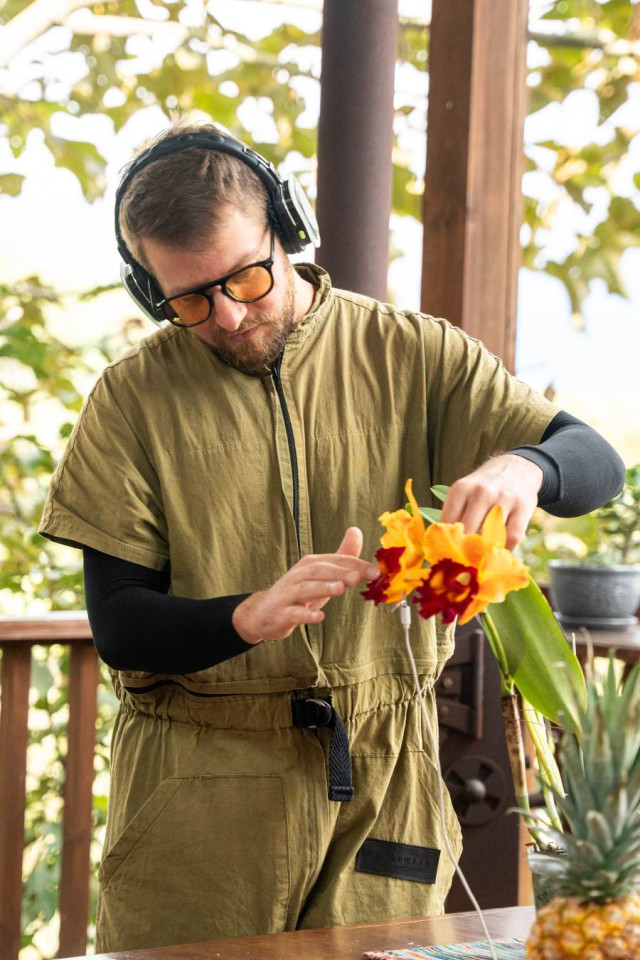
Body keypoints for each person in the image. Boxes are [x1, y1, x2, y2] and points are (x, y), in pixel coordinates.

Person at [39, 116, 624, 953]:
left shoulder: (413, 352)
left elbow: (596, 462)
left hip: (386, 789)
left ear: (287, 227)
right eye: (190, 300)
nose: (230, 318)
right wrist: (245, 616)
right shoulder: (129, 400)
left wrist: (527, 467)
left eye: (246, 278)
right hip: (196, 805)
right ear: (150, 291)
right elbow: (121, 625)